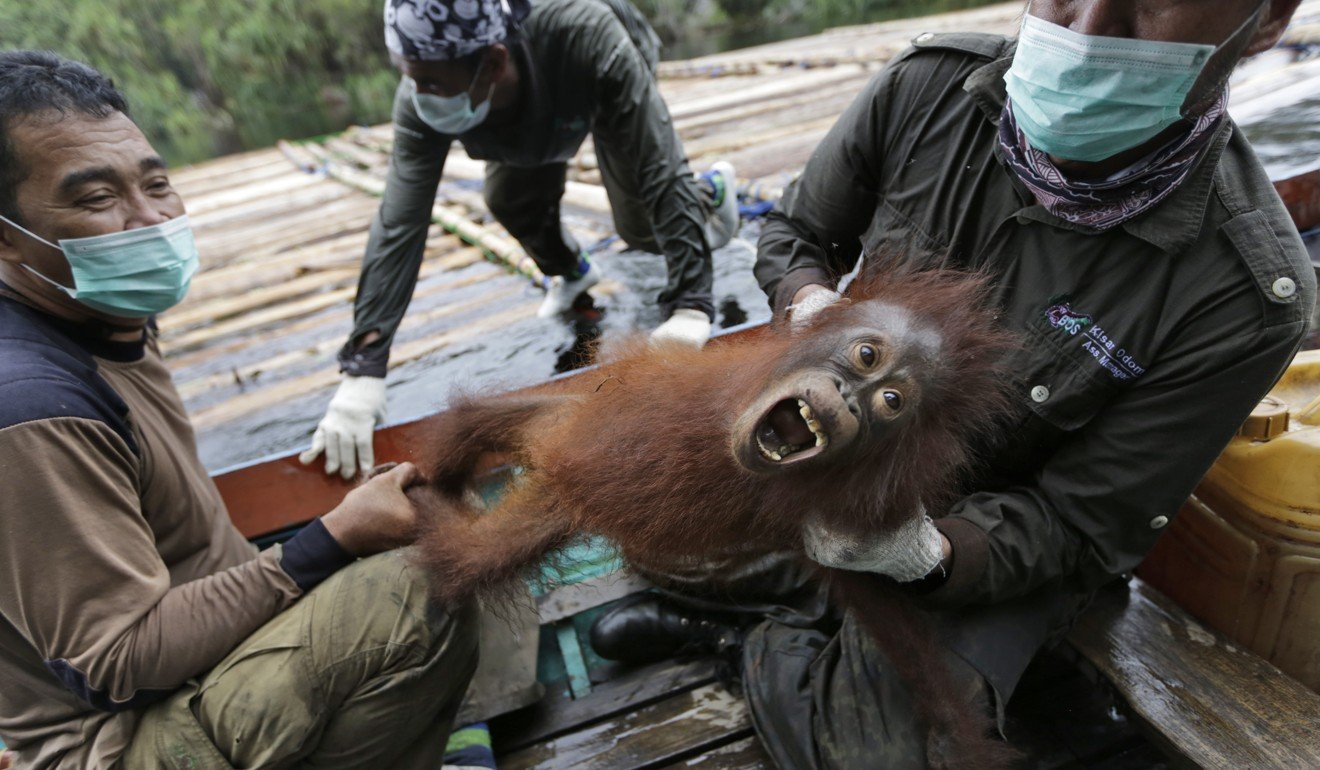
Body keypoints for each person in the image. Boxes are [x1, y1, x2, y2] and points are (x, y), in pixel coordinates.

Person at [590, 0, 1315, 766]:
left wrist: (928, 556)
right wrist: (811, 308)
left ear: (1266, 21)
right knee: (649, 527)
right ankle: (785, 602)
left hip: (1001, 540)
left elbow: (1083, 528)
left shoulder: (1241, 295)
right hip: (844, 461)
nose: (1089, 29)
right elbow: (797, 234)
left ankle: (749, 647)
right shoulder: (928, 88)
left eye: (1148, 3)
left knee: (879, 754)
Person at [0, 52, 478, 769]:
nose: (148, 220)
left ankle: (451, 739)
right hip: (126, 741)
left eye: (156, 184)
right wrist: (333, 538)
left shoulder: (105, 313)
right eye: (97, 199)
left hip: (210, 666)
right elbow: (118, 662)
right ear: (7, 237)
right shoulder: (31, 408)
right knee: (419, 583)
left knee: (464, 519)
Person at [301, 0, 740, 480]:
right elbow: (400, 220)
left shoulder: (584, 32)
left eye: (430, 82)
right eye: (411, 78)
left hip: (585, 78)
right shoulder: (424, 99)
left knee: (640, 225)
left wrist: (691, 304)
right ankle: (572, 271)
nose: (418, 94)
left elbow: (657, 165)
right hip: (513, 110)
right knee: (510, 200)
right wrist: (365, 362)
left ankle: (709, 194)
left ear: (492, 62)